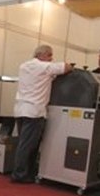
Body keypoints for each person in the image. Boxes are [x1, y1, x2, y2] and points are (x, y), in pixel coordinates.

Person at [11, 44, 72, 184]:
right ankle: (20, 174)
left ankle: (26, 172)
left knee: (23, 143)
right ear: (42, 55)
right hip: (34, 112)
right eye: (50, 55)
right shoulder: (45, 67)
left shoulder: (24, 66)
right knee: (28, 145)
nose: (52, 58)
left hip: (20, 110)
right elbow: (67, 67)